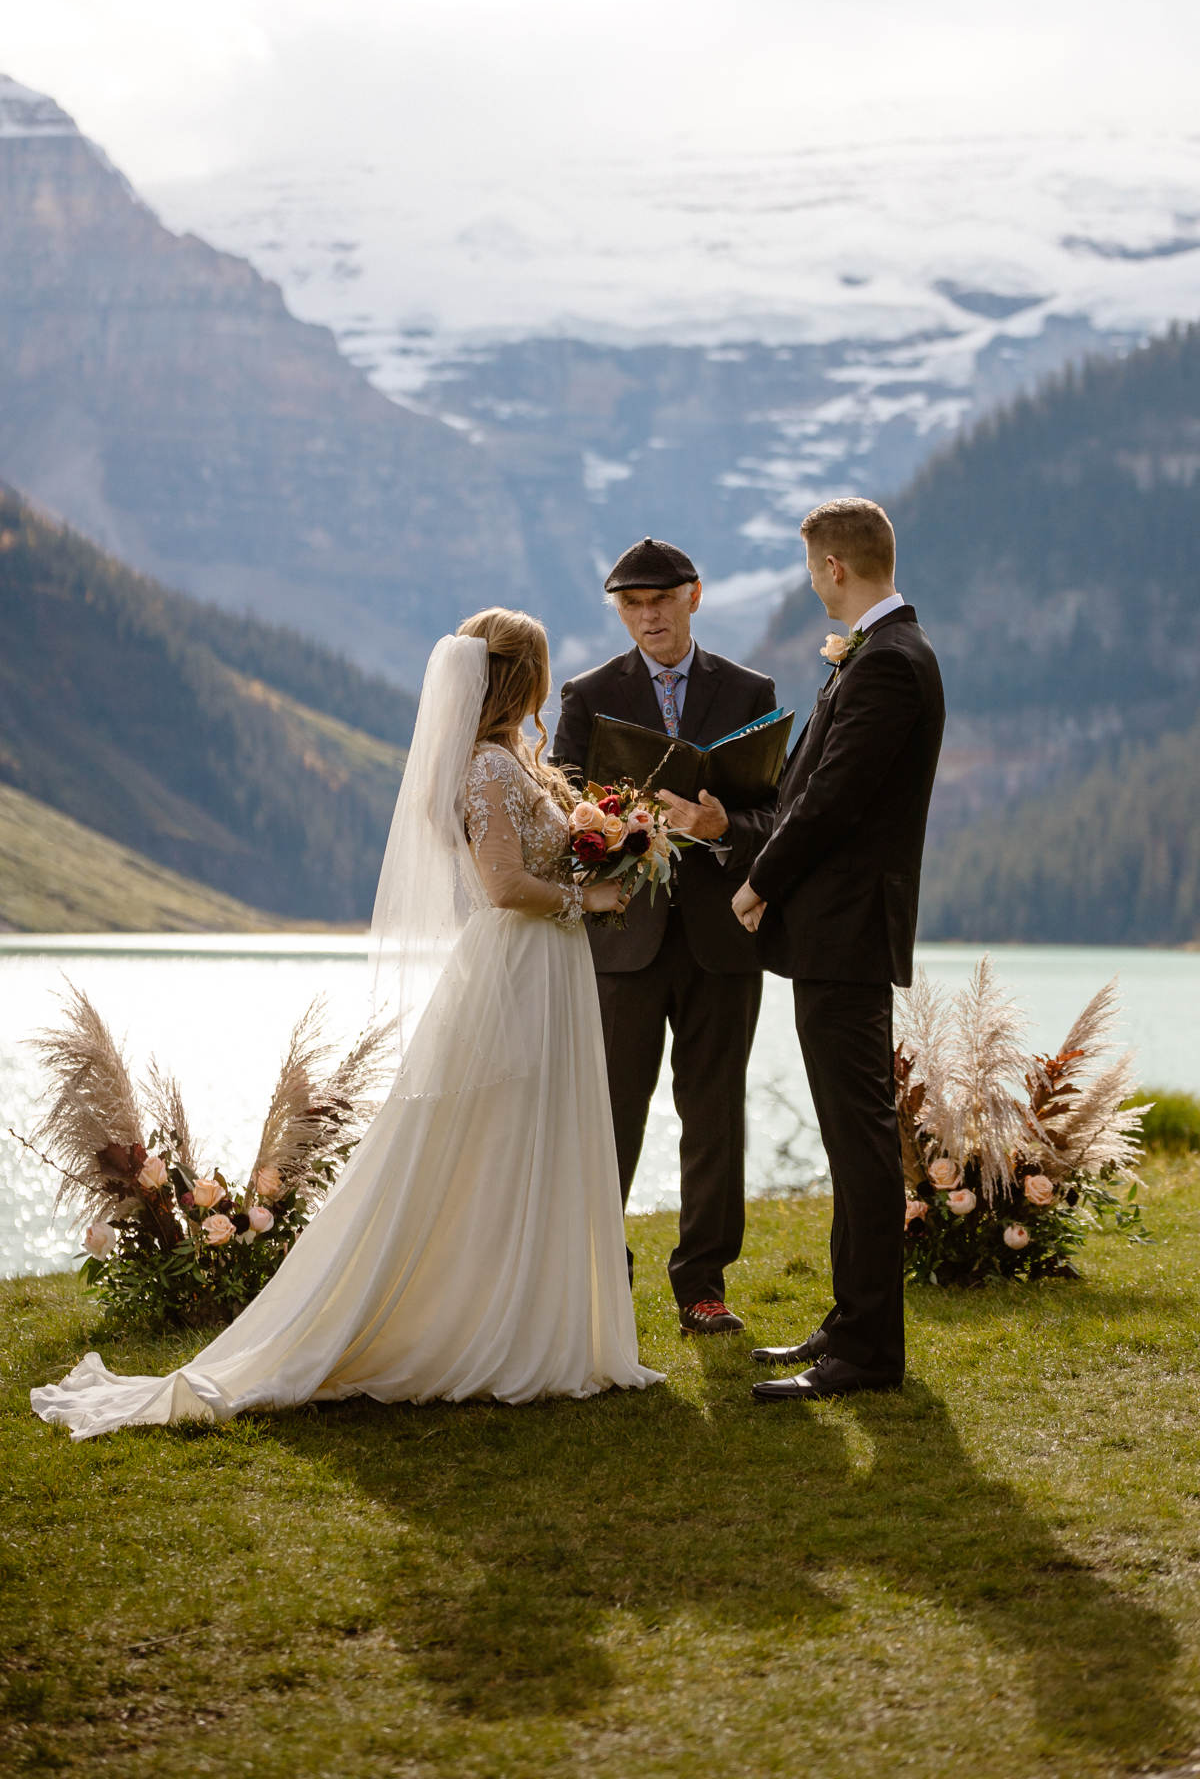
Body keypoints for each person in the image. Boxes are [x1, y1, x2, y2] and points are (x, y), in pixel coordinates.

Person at [32, 610, 663, 1440]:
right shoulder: (483, 768)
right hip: (517, 968)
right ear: (524, 678)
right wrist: (597, 895)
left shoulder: (515, 760)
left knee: (539, 1137)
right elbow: (505, 885)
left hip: (548, 969)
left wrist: (617, 842)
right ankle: (493, 1328)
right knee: (498, 1141)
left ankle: (535, 1320)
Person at [732, 498, 944, 1401]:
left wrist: (760, 880)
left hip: (845, 931)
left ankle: (868, 1354)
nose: (810, 580)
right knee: (847, 1132)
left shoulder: (889, 663)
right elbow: (807, 784)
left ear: (833, 569)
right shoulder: (883, 653)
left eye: (810, 567)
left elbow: (835, 800)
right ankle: (850, 1324)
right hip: (838, 934)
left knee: (858, 1139)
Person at [553, 538, 777, 1335]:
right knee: (609, 1111)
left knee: (714, 1113)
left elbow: (776, 814)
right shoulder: (586, 695)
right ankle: (597, 1275)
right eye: (631, 605)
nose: (647, 617)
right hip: (622, 943)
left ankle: (703, 1286)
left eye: (661, 602)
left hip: (723, 940)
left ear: (695, 596)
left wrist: (723, 827)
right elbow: (561, 809)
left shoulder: (752, 691)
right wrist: (612, 830)